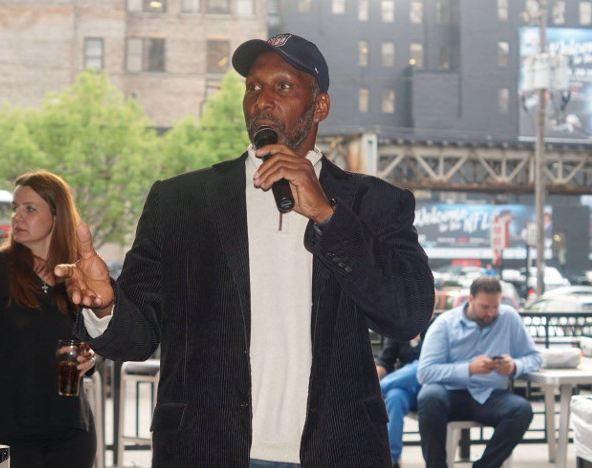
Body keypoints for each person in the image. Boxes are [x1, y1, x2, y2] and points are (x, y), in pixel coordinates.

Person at [57, 33, 434, 468]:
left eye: (283, 87)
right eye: (253, 87)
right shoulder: (180, 202)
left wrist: (330, 216)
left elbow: (408, 313)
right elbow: (137, 337)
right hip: (205, 450)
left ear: (321, 106)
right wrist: (105, 305)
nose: (262, 100)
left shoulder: (374, 204)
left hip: (339, 450)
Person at [0, 171, 98, 468]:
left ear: (56, 215)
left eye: (29, 209)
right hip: (7, 432)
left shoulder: (79, 273)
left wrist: (94, 358)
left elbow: (101, 337)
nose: (17, 218)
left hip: (71, 431)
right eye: (15, 209)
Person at [417, 276, 542, 468]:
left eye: (495, 307)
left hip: (490, 395)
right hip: (449, 394)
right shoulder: (444, 324)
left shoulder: (509, 318)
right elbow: (425, 372)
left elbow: (534, 358)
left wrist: (514, 366)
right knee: (429, 396)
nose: (491, 313)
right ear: (471, 300)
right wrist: (468, 369)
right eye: (485, 307)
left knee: (522, 410)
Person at [376, 324, 430, 468]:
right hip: (405, 388)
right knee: (394, 397)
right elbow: (385, 362)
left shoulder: (439, 327)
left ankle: (375, 391)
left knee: (420, 366)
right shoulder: (400, 329)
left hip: (429, 386)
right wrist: (373, 375)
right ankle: (391, 459)